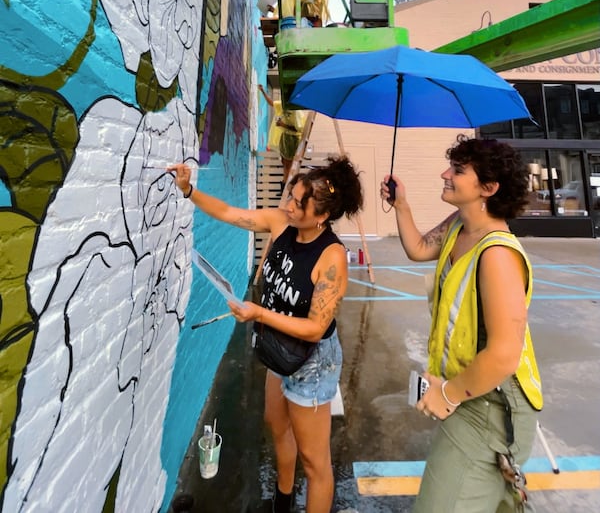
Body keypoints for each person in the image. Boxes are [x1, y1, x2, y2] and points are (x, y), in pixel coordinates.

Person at [167, 156, 363, 513]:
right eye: (291, 195)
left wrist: (258, 313)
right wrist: (189, 190)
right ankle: (283, 501)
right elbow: (229, 212)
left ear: (321, 216)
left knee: (315, 460)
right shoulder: (280, 222)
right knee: (276, 423)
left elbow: (316, 328)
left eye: (298, 204)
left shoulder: (332, 257)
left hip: (312, 360)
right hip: (278, 346)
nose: (287, 206)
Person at [380, 135, 543, 512]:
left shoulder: (498, 254)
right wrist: (401, 204)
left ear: (488, 188)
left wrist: (448, 394)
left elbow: (504, 355)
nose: (444, 174)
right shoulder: (459, 226)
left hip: (493, 407)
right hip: (472, 391)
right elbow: (420, 248)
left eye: (457, 170)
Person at [259, 83, 307, 185]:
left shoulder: (296, 111)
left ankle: (287, 185)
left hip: (292, 139)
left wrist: (282, 124)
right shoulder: (283, 105)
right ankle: (285, 184)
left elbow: (298, 129)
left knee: (288, 165)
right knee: (284, 163)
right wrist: (263, 91)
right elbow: (272, 103)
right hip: (284, 137)